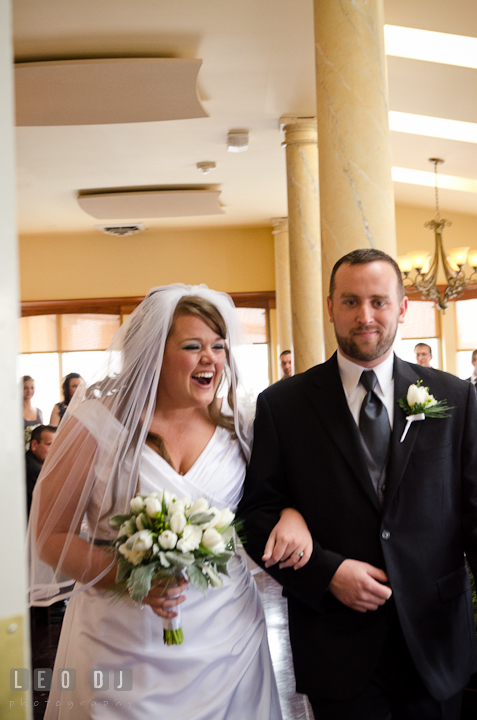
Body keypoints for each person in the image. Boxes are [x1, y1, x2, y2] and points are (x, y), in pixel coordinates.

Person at [29, 284, 310, 720]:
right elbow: (50, 536)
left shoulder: (243, 427)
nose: (210, 359)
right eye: (193, 346)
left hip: (228, 639)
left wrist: (292, 514)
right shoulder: (93, 427)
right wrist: (130, 580)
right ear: (153, 354)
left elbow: (279, 496)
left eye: (219, 346)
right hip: (119, 645)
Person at [239, 249, 477, 720]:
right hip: (336, 645)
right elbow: (255, 516)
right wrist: (326, 573)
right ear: (329, 307)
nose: (364, 316)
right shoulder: (283, 406)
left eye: (378, 302)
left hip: (435, 639)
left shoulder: (456, 397)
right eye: (349, 302)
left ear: (403, 308)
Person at [25, 424, 56, 517]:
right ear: (34, 445)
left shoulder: (28, 459)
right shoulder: (35, 471)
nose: (54, 450)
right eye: (49, 444)